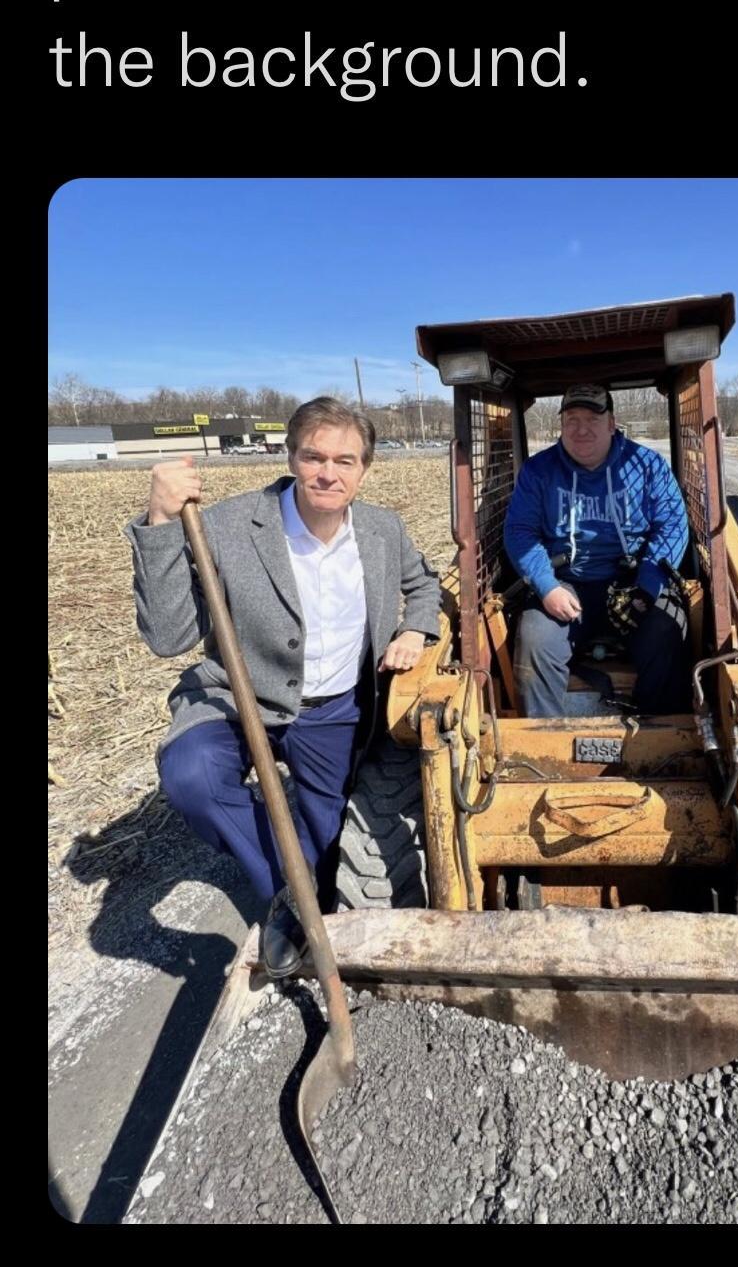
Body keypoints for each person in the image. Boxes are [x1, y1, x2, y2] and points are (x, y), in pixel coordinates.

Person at [125, 397, 440, 977]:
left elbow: (424, 586)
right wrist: (160, 522)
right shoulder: (227, 525)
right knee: (193, 777)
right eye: (314, 456)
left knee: (327, 840)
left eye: (346, 460)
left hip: (336, 708)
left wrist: (416, 628)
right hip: (237, 696)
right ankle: (285, 894)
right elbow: (169, 636)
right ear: (292, 457)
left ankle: (301, 882)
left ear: (364, 469)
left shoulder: (381, 530)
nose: (329, 472)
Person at [504, 384, 692, 716]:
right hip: (565, 583)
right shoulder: (538, 471)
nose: (581, 428)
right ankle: (546, 743)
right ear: (561, 425)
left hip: (631, 582)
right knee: (534, 638)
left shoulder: (647, 466)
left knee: (666, 628)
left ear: (611, 423)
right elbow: (520, 532)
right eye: (571, 419)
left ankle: (658, 734)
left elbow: (672, 525)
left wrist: (648, 586)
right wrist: (547, 588)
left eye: (592, 418)